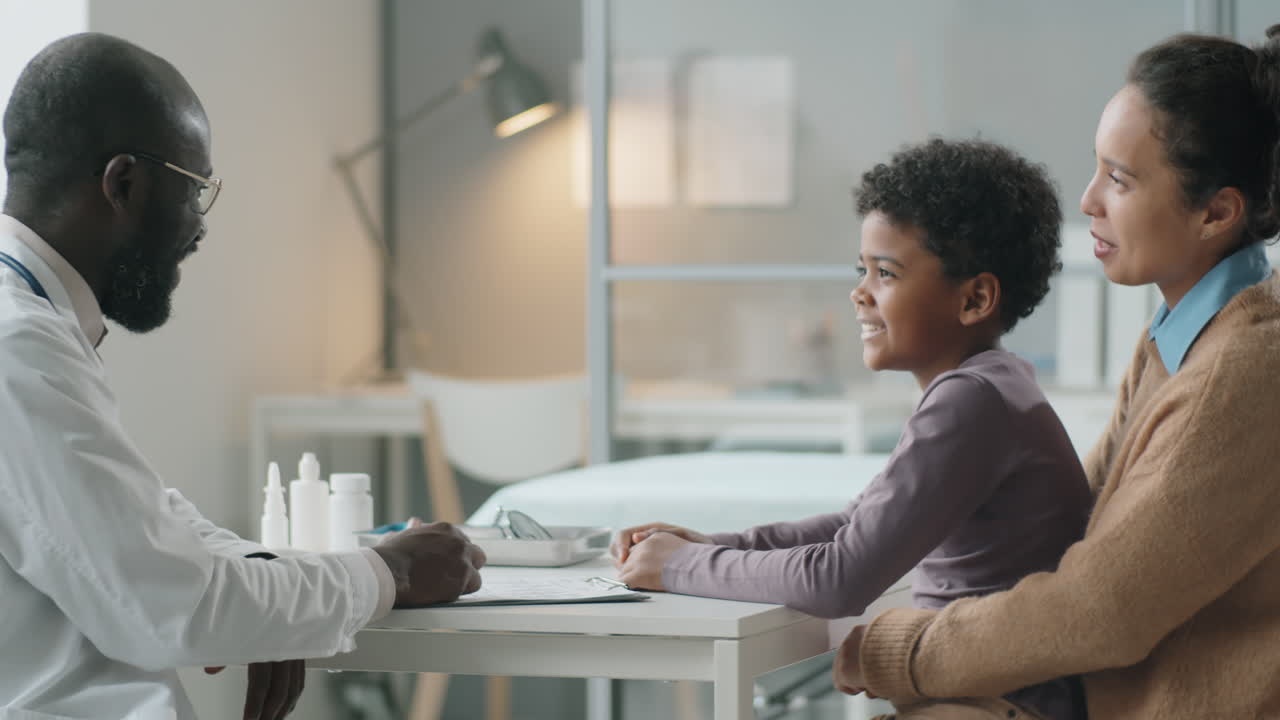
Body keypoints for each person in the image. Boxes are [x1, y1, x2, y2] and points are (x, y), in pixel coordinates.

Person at [0, 33, 485, 720]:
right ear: (124, 184)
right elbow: (176, 611)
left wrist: (275, 595)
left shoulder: (32, 325)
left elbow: (145, 525)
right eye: (195, 190)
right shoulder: (17, 348)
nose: (198, 226)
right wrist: (389, 573)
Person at [835, 25, 1280, 720]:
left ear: (1217, 212)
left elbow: (1104, 607)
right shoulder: (1180, 337)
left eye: (1121, 179)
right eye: (1098, 167)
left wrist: (906, 651)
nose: (1089, 200)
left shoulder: (1247, 370)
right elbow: (1083, 527)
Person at [611, 138, 1093, 720]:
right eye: (862, 269)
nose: (859, 292)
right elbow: (853, 526)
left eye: (886, 273)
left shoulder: (972, 401)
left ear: (976, 298)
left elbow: (839, 578)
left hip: (995, 708)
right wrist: (710, 546)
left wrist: (677, 567)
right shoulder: (990, 386)